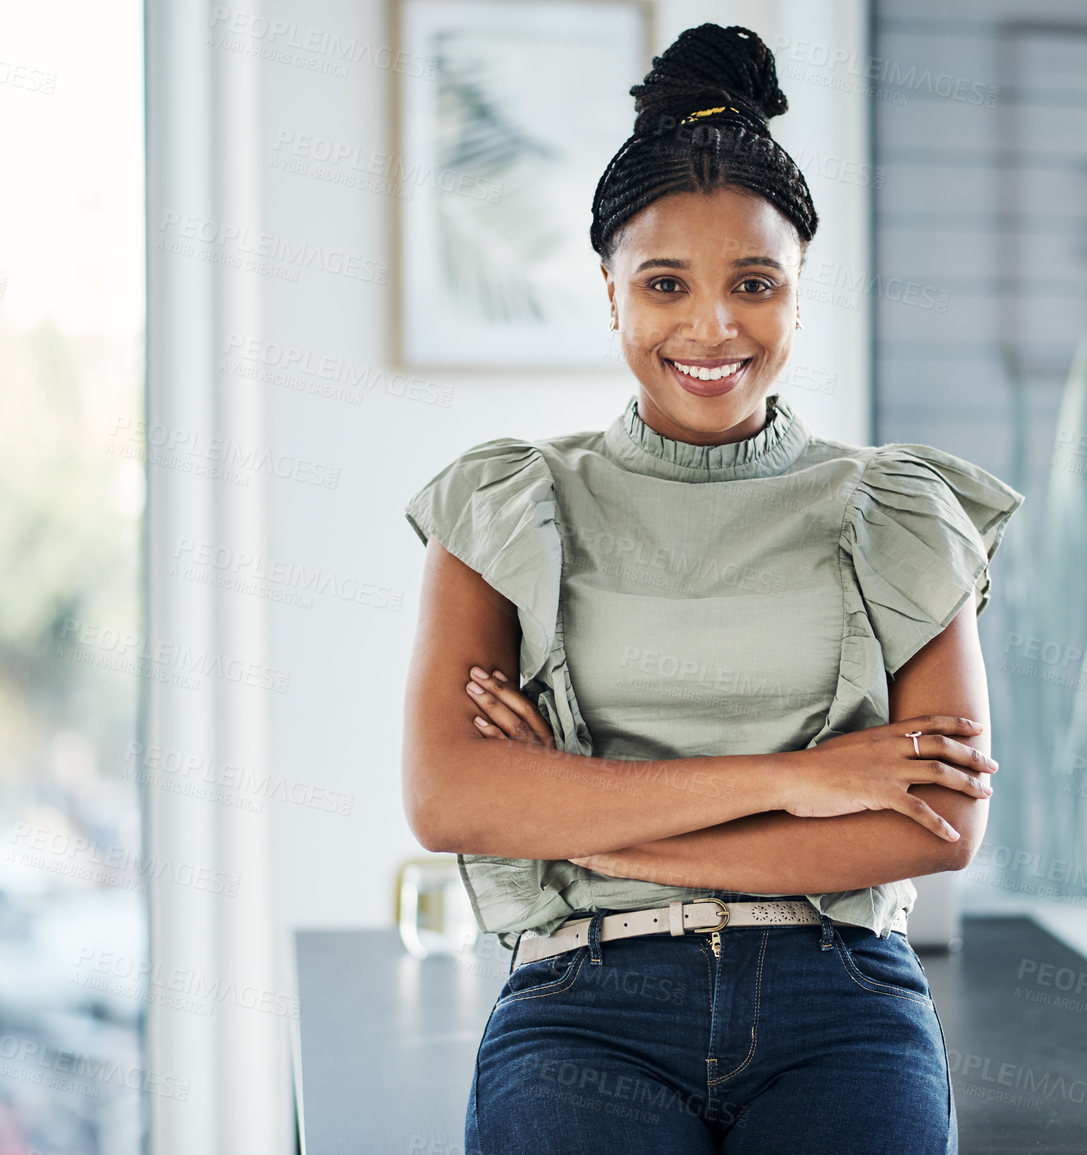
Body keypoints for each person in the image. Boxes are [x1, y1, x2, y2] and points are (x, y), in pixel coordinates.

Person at [401, 22, 1024, 1154]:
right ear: (609, 295)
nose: (711, 325)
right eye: (664, 284)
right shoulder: (508, 504)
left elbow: (936, 825)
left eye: (753, 283)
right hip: (583, 1010)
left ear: (796, 292)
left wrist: (581, 820)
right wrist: (811, 781)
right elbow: (450, 798)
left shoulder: (896, 507)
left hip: (840, 1000)